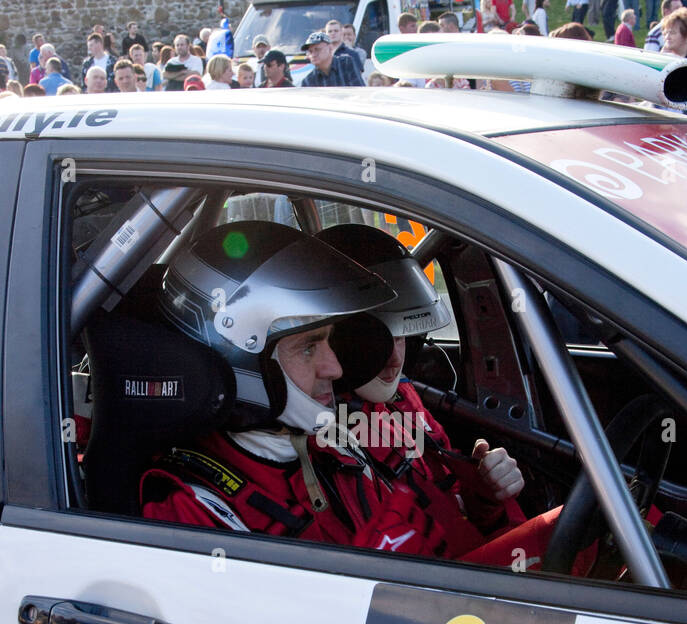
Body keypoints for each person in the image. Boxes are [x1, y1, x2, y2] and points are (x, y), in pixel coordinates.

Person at [140, 222, 457, 556]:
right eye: (308, 347)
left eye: (330, 341)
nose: (334, 368)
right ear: (242, 359)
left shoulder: (338, 449)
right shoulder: (189, 508)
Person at [319, 224, 527, 548]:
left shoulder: (402, 399)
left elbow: (454, 507)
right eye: (375, 343)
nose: (394, 360)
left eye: (403, 336)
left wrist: (486, 494)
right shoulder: (325, 443)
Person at [301, 31, 367, 86]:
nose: (313, 55)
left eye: (317, 49)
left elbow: (359, 92)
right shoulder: (308, 81)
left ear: (330, 48)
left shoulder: (346, 63)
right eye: (310, 51)